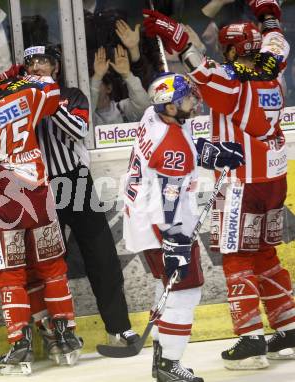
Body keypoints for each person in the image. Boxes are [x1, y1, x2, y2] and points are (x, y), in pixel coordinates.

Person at [143, 0, 295, 370]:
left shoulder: (231, 84)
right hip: (275, 180)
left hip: (240, 183)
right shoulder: (275, 72)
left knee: (236, 256)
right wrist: (268, 13)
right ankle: (288, 328)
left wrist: (173, 33)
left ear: (230, 50)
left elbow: (195, 63)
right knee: (265, 255)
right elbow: (278, 40)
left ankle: (250, 340)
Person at [0, 48, 83, 375]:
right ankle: (65, 336)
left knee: (10, 276)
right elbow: (52, 91)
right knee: (52, 268)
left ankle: (19, 342)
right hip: (39, 194)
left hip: (2, 203)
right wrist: (20, 80)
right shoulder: (26, 93)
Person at [123, 72, 244, 382]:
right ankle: (169, 364)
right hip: (162, 223)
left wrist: (213, 154)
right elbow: (169, 197)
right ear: (173, 108)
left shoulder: (156, 114)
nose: (194, 101)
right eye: (188, 98)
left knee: (167, 288)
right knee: (185, 290)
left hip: (143, 219)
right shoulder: (171, 143)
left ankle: (162, 358)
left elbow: (188, 143)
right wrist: (174, 240)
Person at [23, 44, 141, 347]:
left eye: (43, 62)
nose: (36, 68)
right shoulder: (20, 102)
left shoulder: (72, 95)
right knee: (46, 264)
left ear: (56, 68)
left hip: (75, 183)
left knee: (102, 256)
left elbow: (77, 129)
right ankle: (55, 332)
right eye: (30, 64)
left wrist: (47, 99)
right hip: (39, 187)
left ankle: (119, 328)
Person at [90, 44, 150, 125]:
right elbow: (87, 114)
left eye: (97, 82)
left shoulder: (122, 108)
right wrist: (97, 77)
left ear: (108, 88)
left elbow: (145, 106)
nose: (93, 87)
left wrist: (127, 75)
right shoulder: (89, 116)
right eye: (92, 83)